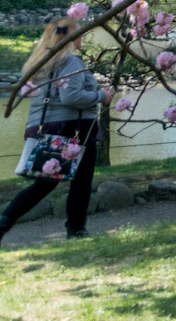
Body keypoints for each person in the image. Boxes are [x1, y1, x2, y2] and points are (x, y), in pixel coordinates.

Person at [0, 18, 104, 242]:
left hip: (44, 127)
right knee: (81, 181)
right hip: (74, 129)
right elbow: (71, 97)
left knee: (44, 183)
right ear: (70, 37)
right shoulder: (71, 62)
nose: (82, 37)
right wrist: (101, 96)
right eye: (80, 33)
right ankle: (76, 230)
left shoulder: (38, 62)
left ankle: (4, 222)